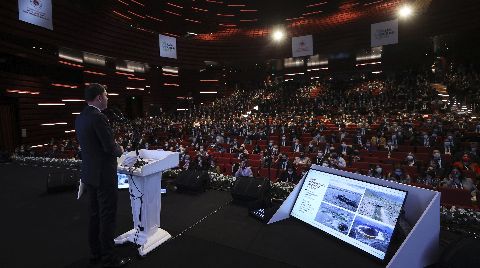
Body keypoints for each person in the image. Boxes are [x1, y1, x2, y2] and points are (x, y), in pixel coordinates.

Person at [75, 84, 130, 267]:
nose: (107, 98)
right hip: (104, 175)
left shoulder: (81, 118)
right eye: (106, 95)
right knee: (107, 215)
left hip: (89, 173)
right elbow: (109, 148)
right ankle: (109, 256)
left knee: (94, 214)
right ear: (99, 97)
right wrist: (120, 148)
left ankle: (95, 252)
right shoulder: (99, 118)